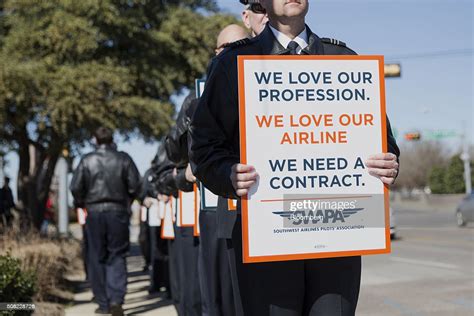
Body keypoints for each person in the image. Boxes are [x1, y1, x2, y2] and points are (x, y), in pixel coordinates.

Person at [189, 0, 400, 315]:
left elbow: (383, 141)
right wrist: (227, 174)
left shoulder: (344, 60)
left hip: (336, 235)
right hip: (264, 235)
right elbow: (204, 149)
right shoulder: (234, 63)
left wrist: (389, 162)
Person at [70, 127, 141, 316]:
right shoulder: (123, 158)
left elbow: (76, 187)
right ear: (112, 139)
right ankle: (116, 299)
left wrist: (81, 203)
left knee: (97, 256)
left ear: (95, 140)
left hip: (93, 212)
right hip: (118, 212)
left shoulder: (87, 160)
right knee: (117, 255)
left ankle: (102, 301)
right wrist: (127, 202)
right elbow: (135, 185)